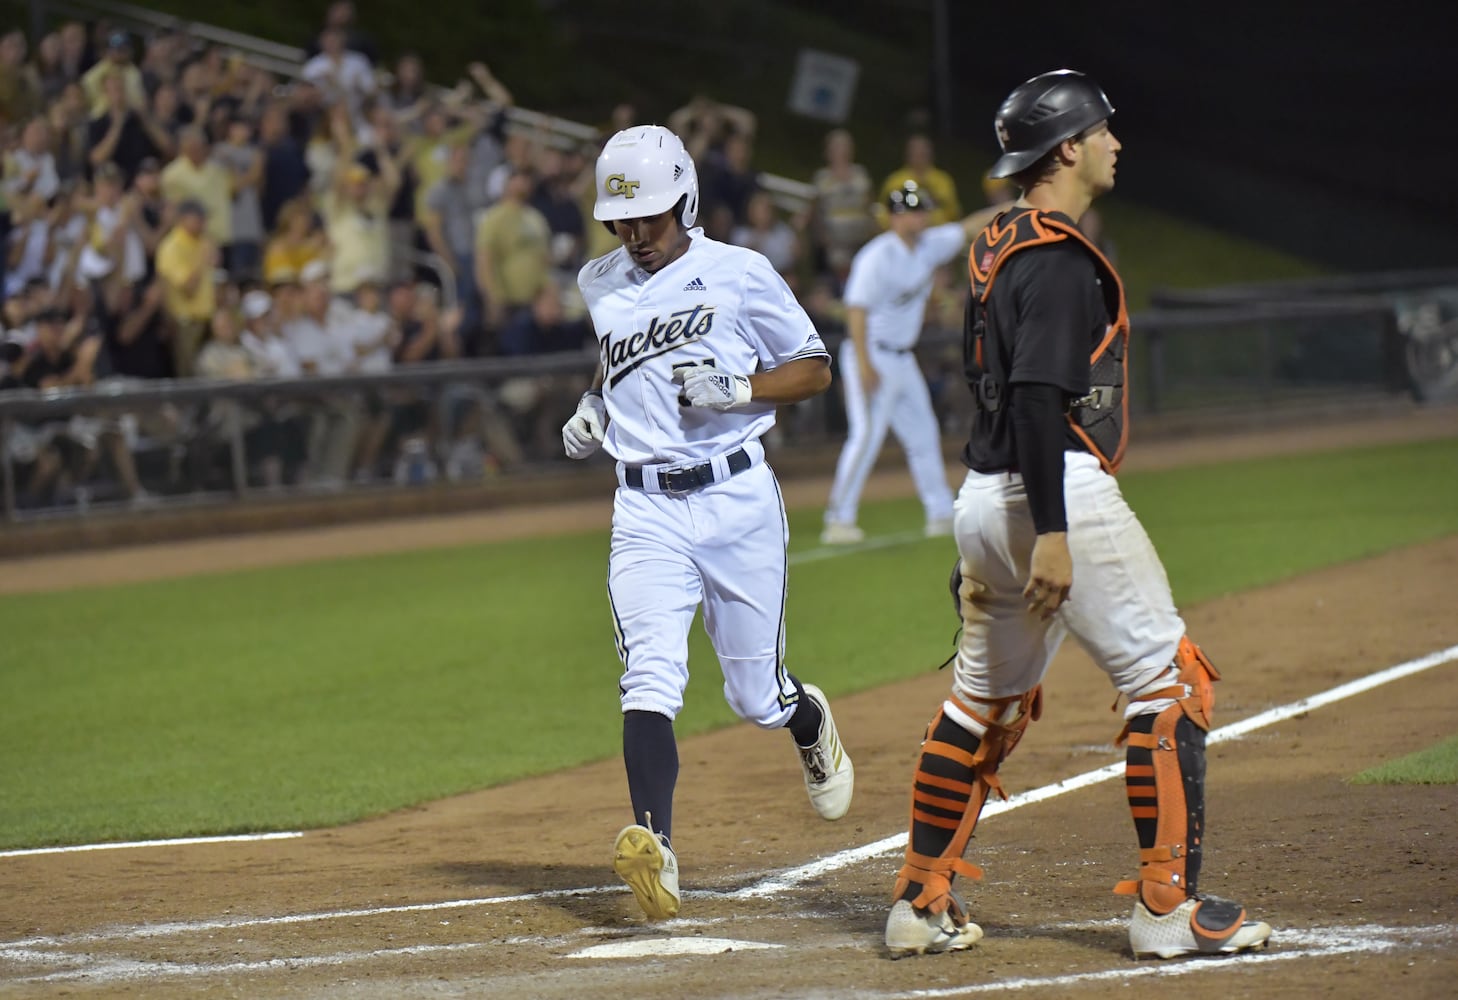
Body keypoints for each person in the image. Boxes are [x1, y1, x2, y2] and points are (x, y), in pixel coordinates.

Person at [880, 69, 1273, 961]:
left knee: (980, 704)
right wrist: (1051, 534)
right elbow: (1031, 400)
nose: (1116, 143)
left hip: (984, 498)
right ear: (1067, 149)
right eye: (1102, 130)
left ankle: (919, 899)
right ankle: (1169, 909)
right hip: (1050, 492)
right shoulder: (1057, 259)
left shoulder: (999, 242)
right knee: (1172, 686)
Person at [560, 124, 854, 921]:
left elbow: (816, 366)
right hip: (645, 507)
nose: (633, 236)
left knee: (754, 697)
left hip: (736, 502)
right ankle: (656, 849)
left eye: (648, 220)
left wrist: (743, 388)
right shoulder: (602, 279)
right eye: (621, 223)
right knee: (649, 675)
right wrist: (594, 403)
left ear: (684, 201)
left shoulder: (740, 272)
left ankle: (807, 716)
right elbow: (617, 354)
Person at [820, 182, 1007, 545]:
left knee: (923, 434)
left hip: (902, 359)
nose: (916, 216)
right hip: (871, 352)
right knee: (866, 438)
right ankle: (838, 519)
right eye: (908, 210)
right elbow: (856, 311)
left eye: (920, 209)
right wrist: (864, 365)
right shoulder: (876, 256)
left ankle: (939, 513)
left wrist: (1019, 205)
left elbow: (971, 226)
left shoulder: (929, 246)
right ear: (892, 217)